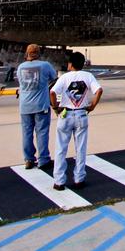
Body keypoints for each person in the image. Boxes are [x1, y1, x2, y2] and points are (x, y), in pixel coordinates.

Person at [49, 52, 103, 191]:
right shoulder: (88, 76)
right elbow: (99, 90)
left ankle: (59, 181)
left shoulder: (65, 77)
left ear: (70, 64)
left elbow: (52, 92)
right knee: (81, 149)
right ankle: (79, 179)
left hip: (66, 114)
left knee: (61, 149)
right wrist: (92, 105)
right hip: (81, 114)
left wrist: (56, 107)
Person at [16, 44, 58, 170]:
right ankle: (43, 159)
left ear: (27, 54)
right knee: (42, 132)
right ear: (38, 53)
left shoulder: (21, 67)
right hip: (41, 105)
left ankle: (28, 159)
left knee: (26, 133)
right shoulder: (45, 65)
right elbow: (54, 79)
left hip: (25, 106)